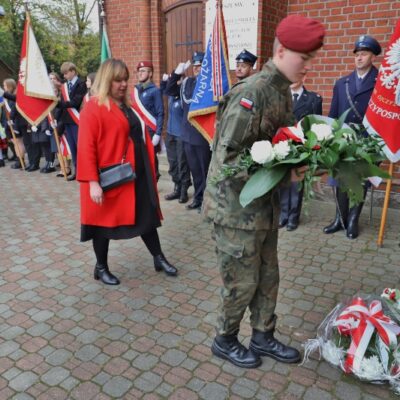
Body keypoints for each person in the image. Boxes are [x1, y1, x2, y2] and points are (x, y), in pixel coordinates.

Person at [203, 14, 325, 368]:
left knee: (268, 276)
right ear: (283, 50)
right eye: (304, 58)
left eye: (311, 59)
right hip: (235, 212)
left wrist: (299, 162)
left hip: (262, 206)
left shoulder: (281, 90)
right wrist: (276, 166)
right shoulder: (252, 93)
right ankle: (224, 339)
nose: (307, 67)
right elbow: (226, 160)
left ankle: (262, 335)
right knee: (241, 281)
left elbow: (282, 142)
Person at [77, 58, 177, 285]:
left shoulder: (126, 105)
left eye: (125, 79)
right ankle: (100, 267)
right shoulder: (94, 107)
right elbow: (85, 147)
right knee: (102, 224)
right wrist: (92, 181)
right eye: (117, 81)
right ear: (105, 81)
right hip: (109, 176)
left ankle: (158, 258)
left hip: (136, 173)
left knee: (146, 217)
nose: (123, 84)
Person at [323, 35, 381, 239]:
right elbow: (333, 114)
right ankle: (340, 218)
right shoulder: (342, 83)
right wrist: (329, 137)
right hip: (342, 140)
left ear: (372, 56)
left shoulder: (381, 83)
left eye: (364, 54)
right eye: (357, 54)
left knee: (360, 181)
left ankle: (353, 221)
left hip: (368, 140)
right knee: (339, 179)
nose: (359, 57)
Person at [165, 52, 211, 211]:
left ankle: (206, 201)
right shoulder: (187, 82)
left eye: (200, 65)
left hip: (202, 135)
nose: (197, 69)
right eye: (195, 66)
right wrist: (177, 73)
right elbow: (170, 90)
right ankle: (198, 198)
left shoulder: (210, 84)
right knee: (195, 171)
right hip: (187, 134)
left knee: (205, 171)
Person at [279, 77, 323, 231]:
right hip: (282, 146)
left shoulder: (313, 99)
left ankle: (293, 216)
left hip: (301, 148)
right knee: (283, 181)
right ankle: (283, 214)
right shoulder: (279, 97)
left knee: (297, 183)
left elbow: (316, 127)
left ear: (303, 77)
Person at [160, 72, 191, 203]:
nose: (177, 83)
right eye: (175, 81)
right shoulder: (171, 96)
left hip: (181, 135)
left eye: (179, 81)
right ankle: (177, 187)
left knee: (182, 163)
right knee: (172, 163)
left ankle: (184, 189)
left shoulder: (184, 97)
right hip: (170, 134)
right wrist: (164, 81)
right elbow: (163, 91)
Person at [134, 61, 164, 180]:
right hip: (138, 130)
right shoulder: (137, 90)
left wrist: (158, 133)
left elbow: (160, 113)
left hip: (150, 130)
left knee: (151, 158)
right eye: (139, 71)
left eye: (143, 71)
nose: (140, 73)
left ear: (150, 73)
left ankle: (154, 179)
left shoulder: (155, 91)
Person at [58, 62, 86, 181]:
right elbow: (62, 103)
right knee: (73, 148)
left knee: (80, 147)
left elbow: (76, 102)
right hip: (67, 120)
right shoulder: (65, 86)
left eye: (66, 73)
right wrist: (56, 118)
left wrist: (58, 103)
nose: (64, 76)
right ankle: (76, 171)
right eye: (63, 74)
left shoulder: (81, 84)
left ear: (73, 71)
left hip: (77, 120)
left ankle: (83, 172)